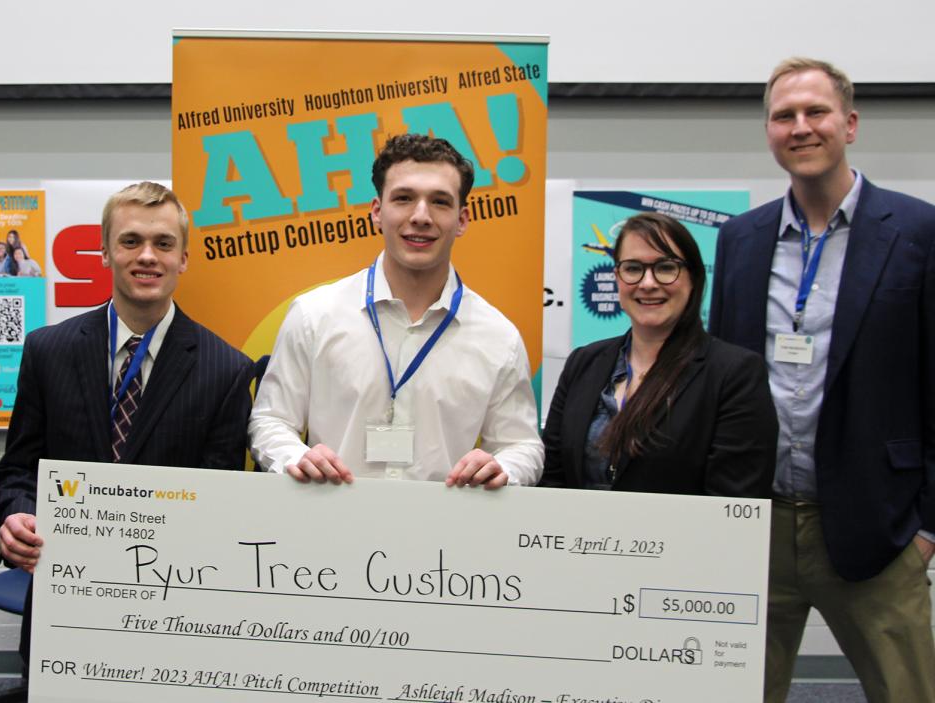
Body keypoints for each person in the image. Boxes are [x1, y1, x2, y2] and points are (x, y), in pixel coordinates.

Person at [709, 57, 935, 703]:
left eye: (816, 112)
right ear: (769, 131)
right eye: (784, 116)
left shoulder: (918, 233)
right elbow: (726, 383)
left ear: (851, 124)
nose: (800, 127)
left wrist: (926, 530)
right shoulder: (740, 240)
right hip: (758, 526)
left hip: (879, 528)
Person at [0, 180, 254, 670]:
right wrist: (14, 516)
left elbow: (222, 505)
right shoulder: (48, 351)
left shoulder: (226, 371)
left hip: (173, 614)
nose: (147, 256)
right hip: (65, 606)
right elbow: (17, 471)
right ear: (106, 253)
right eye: (131, 241)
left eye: (163, 243)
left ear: (184, 258)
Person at [249, 133, 543, 487]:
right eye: (403, 198)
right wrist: (296, 458)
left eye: (440, 202)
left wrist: (505, 468)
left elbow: (522, 445)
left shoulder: (499, 337)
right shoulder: (314, 316)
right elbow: (270, 421)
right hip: (327, 529)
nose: (420, 216)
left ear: (462, 219)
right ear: (377, 211)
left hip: (443, 536)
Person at [539, 212, 776, 495]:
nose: (648, 283)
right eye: (633, 268)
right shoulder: (584, 363)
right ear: (616, 277)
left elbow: (732, 505)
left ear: (693, 278)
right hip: (579, 538)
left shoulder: (735, 373)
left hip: (681, 540)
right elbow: (552, 480)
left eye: (665, 267)